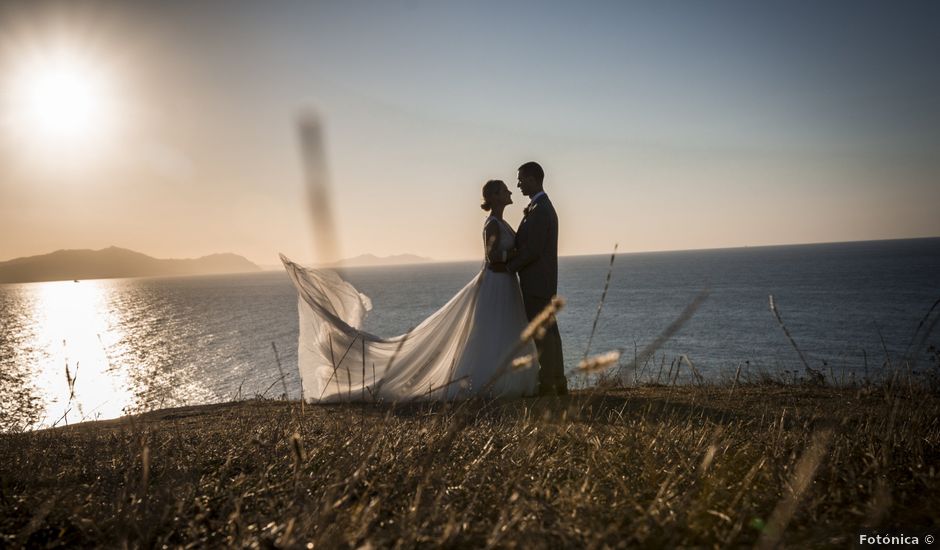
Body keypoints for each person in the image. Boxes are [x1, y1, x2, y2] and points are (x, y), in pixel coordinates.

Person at [280, 179, 539, 402]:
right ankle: (486, 380)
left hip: (504, 283)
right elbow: (493, 257)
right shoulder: (491, 224)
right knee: (490, 334)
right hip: (495, 283)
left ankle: (504, 378)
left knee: (501, 332)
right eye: (504, 189)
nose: (509, 192)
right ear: (493, 196)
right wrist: (516, 254)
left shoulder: (501, 223)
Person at [503, 161, 568, 396]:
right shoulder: (537, 206)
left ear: (532, 179)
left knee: (545, 334)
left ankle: (551, 382)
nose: (518, 184)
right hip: (538, 282)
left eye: (521, 179)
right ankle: (554, 380)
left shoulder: (541, 210)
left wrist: (508, 267)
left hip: (538, 283)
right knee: (547, 333)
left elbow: (533, 250)